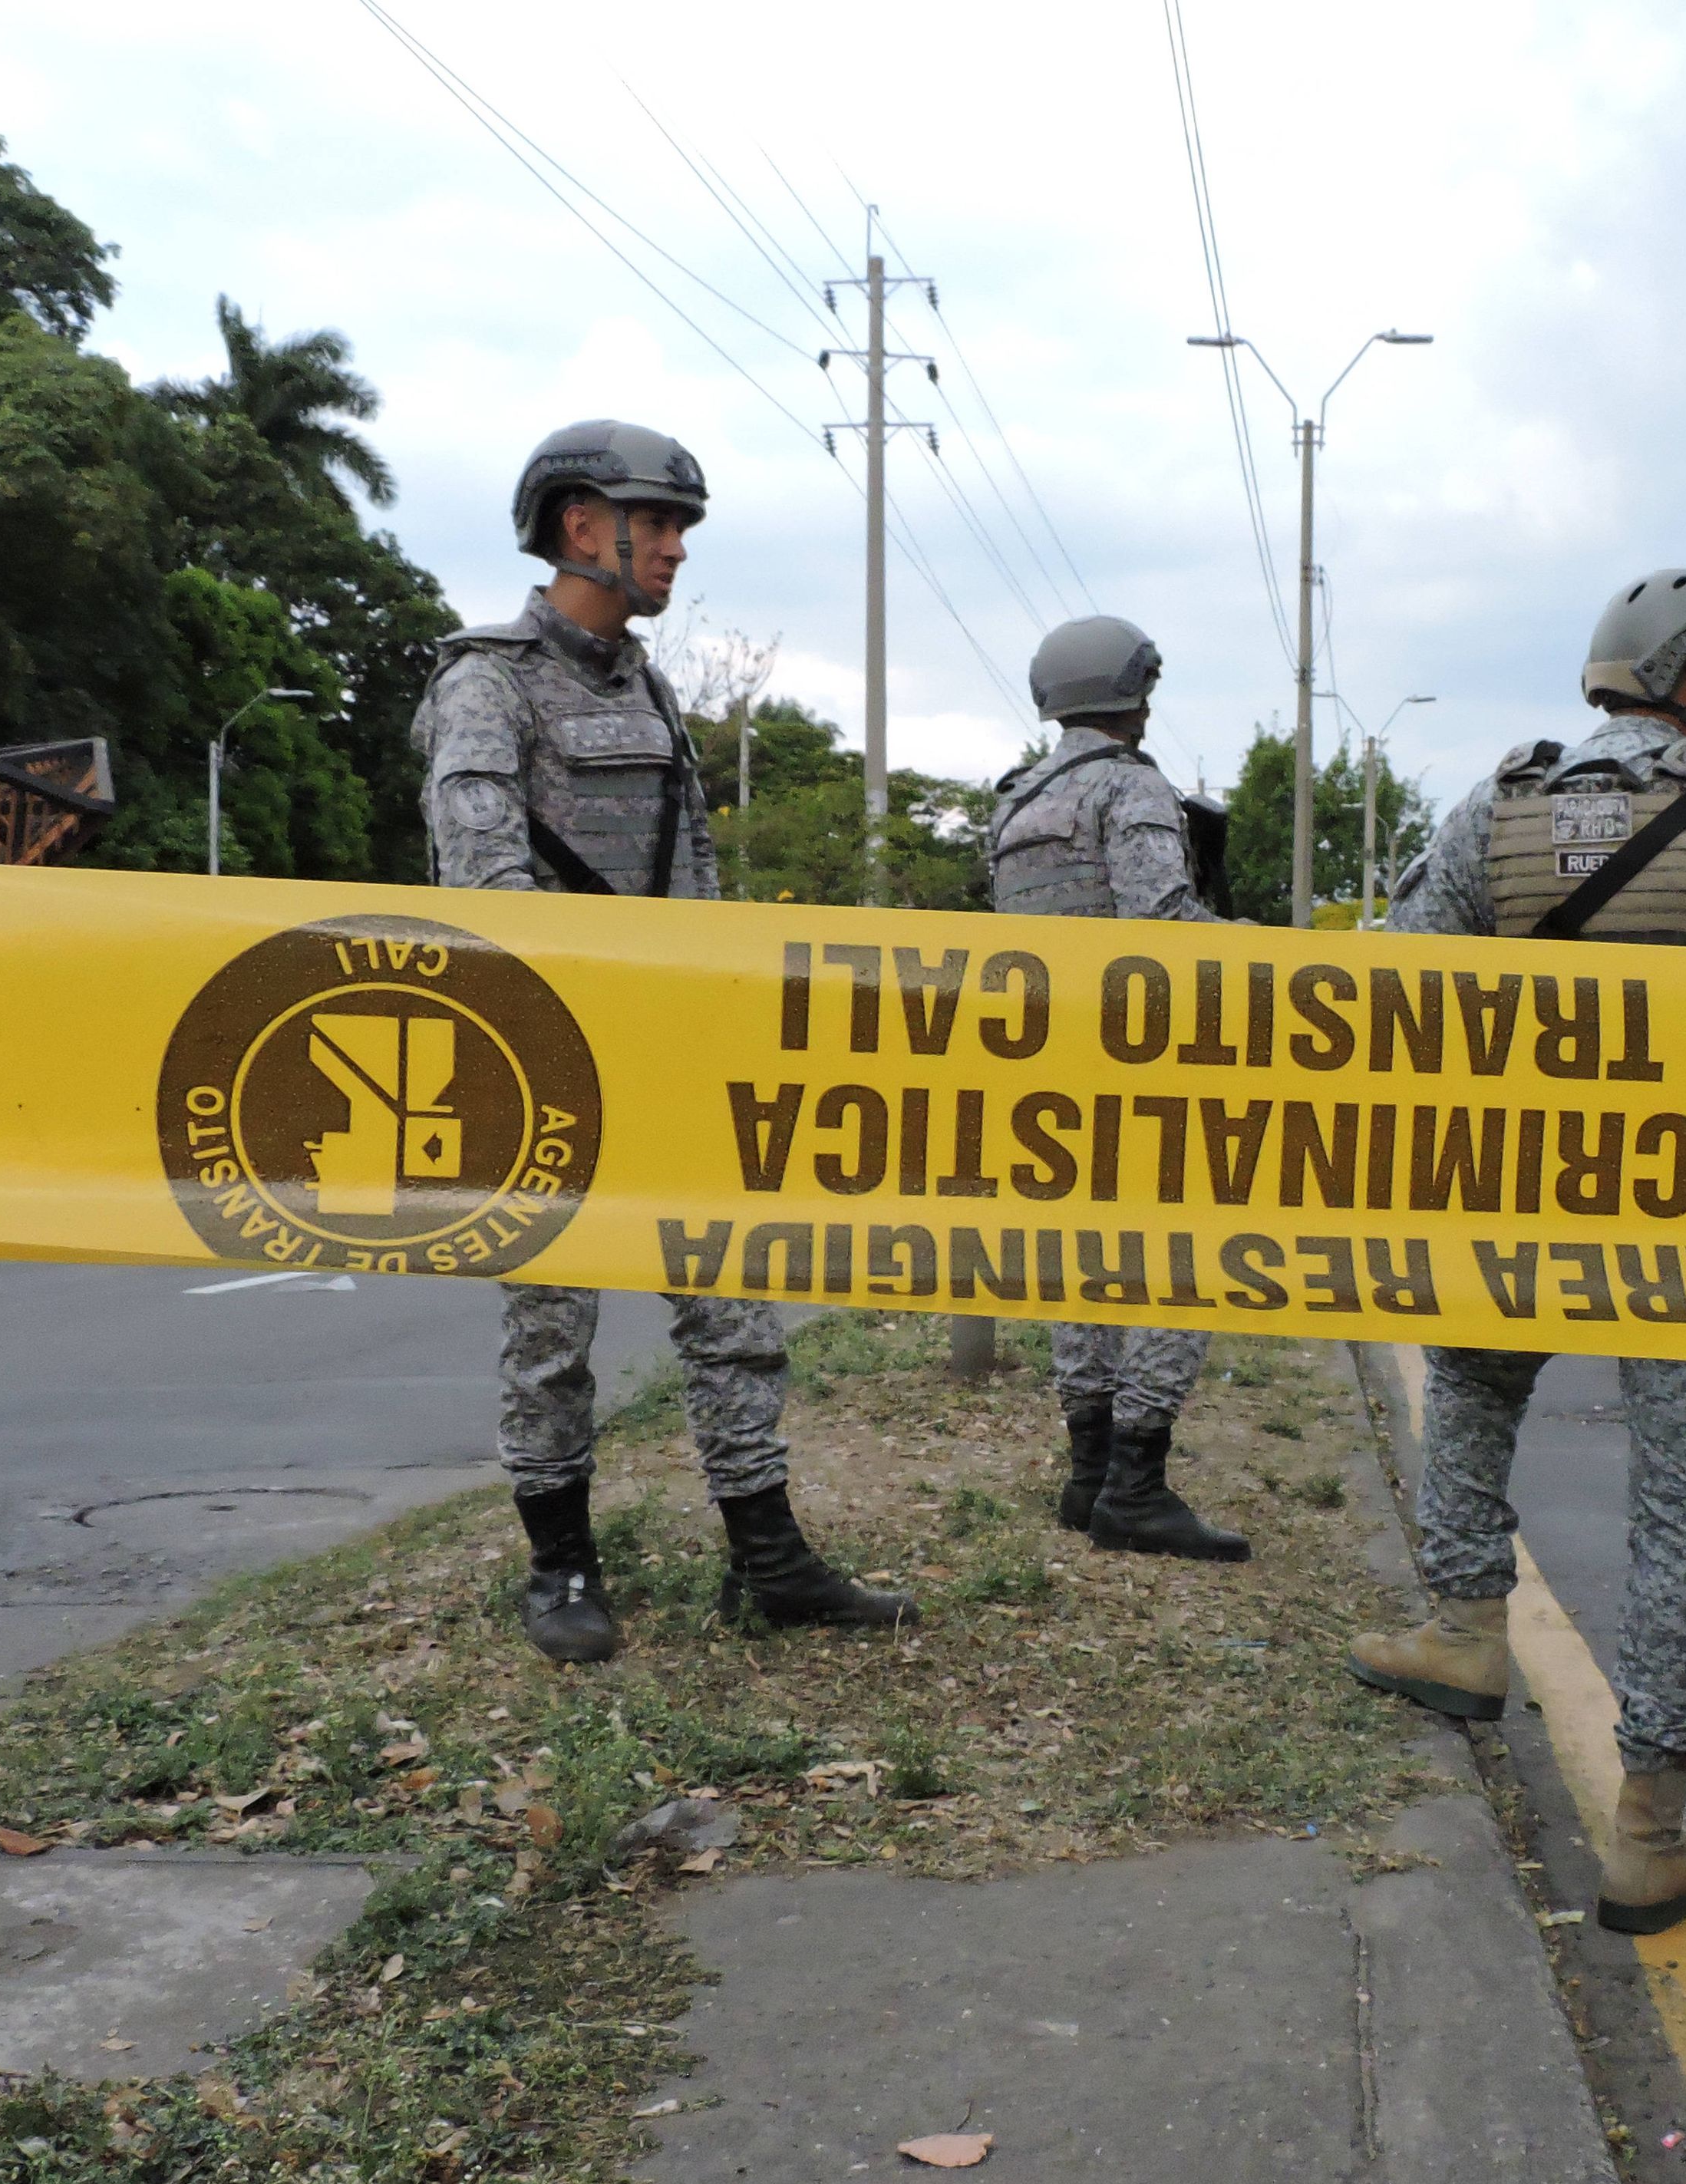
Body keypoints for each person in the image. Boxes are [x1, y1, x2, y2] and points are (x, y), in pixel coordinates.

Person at [1345, 569, 1686, 1932]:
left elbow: (1398, 986)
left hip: (1521, 1188)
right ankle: (1649, 1832)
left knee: (1470, 1380)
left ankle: (1462, 1635)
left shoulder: (1496, 810)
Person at [413, 418, 912, 1662]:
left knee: (737, 1303)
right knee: (551, 1328)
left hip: (672, 1054)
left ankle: (767, 1557)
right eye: (662, 521)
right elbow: (481, 879)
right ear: (586, 524)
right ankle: (563, 1566)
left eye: (683, 526)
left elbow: (690, 879)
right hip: (542, 1062)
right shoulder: (486, 681)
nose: (679, 547)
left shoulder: (647, 683)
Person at [987, 614, 1248, 1565]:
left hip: (1052, 1073)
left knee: (1079, 1269)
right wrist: (1259, 945)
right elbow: (1164, 923)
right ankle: (1136, 1483)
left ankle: (1088, 1471)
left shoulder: (1016, 806)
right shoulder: (1130, 786)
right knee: (1188, 1267)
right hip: (1144, 1068)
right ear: (1132, 693)